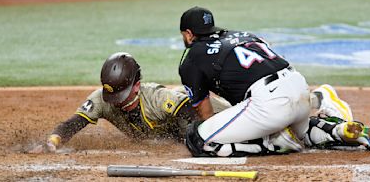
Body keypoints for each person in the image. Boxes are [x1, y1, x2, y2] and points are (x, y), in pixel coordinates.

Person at [178, 6, 370, 157]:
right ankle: (339, 130)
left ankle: (274, 143)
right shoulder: (240, 34)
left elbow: (206, 115)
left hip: (269, 102)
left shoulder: (192, 59)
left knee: (199, 139)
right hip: (298, 86)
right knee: (303, 133)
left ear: (188, 34)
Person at [30, 52, 231, 153]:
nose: (117, 103)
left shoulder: (157, 98)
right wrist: (53, 141)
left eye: (122, 95)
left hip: (213, 110)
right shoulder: (101, 99)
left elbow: (188, 109)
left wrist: (190, 140)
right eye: (113, 97)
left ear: (137, 86)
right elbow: (74, 122)